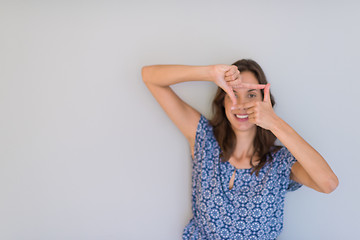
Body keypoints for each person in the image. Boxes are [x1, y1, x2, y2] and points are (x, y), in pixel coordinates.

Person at [141, 59, 339, 240]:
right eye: (233, 93)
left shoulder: (280, 162)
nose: (242, 104)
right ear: (223, 100)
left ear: (264, 101)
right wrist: (209, 73)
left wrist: (275, 123)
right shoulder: (205, 140)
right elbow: (149, 76)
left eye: (251, 95)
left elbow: (328, 183)